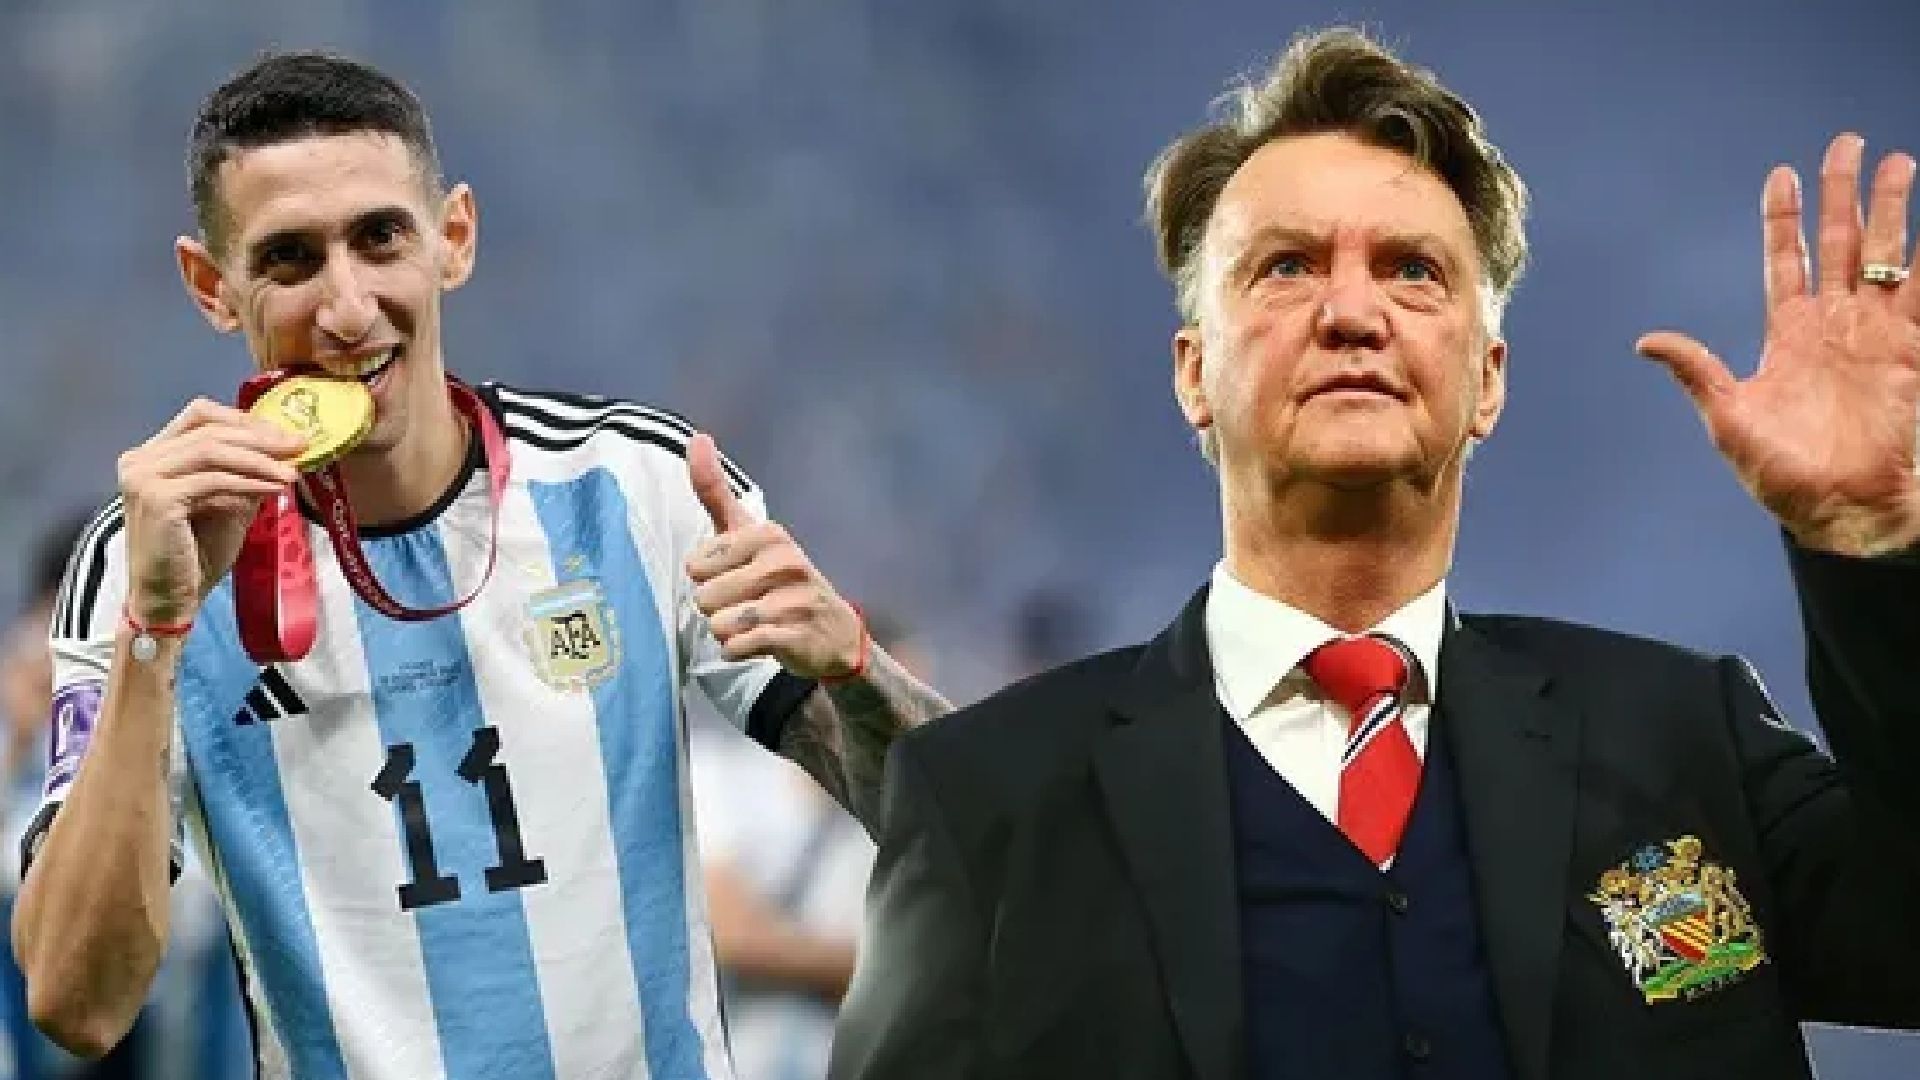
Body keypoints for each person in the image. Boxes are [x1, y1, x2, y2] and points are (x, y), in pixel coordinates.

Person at [830, 26, 1920, 1080]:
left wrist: (1871, 547)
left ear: (1487, 380)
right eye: (1287, 267)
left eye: (1411, 270)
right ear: (1193, 374)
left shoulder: (1687, 741)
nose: (1352, 312)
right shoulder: (986, 803)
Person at [11, 51, 948, 1080]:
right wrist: (156, 634)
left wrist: (855, 667)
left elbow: (968, 827)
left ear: (452, 237)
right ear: (212, 287)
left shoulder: (638, 484)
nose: (348, 309)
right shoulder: (146, 558)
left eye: (380, 238)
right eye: (290, 259)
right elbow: (75, 1003)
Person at [690, 613, 925, 1080]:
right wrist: (870, 966)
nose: (907, 723)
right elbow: (731, 936)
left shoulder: (910, 817)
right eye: (895, 700)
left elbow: (933, 973)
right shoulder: (723, 775)